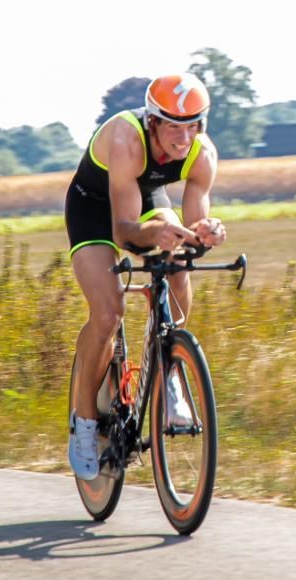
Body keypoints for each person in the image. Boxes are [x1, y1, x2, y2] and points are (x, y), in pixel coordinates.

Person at [64, 73, 227, 480]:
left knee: (177, 258)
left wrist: (206, 232)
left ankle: (169, 366)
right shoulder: (126, 138)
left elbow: (195, 222)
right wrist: (154, 232)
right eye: (173, 125)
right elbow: (123, 230)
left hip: (145, 200)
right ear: (153, 121)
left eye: (192, 125)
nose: (183, 136)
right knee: (107, 313)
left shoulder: (202, 154)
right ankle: (84, 421)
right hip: (96, 209)